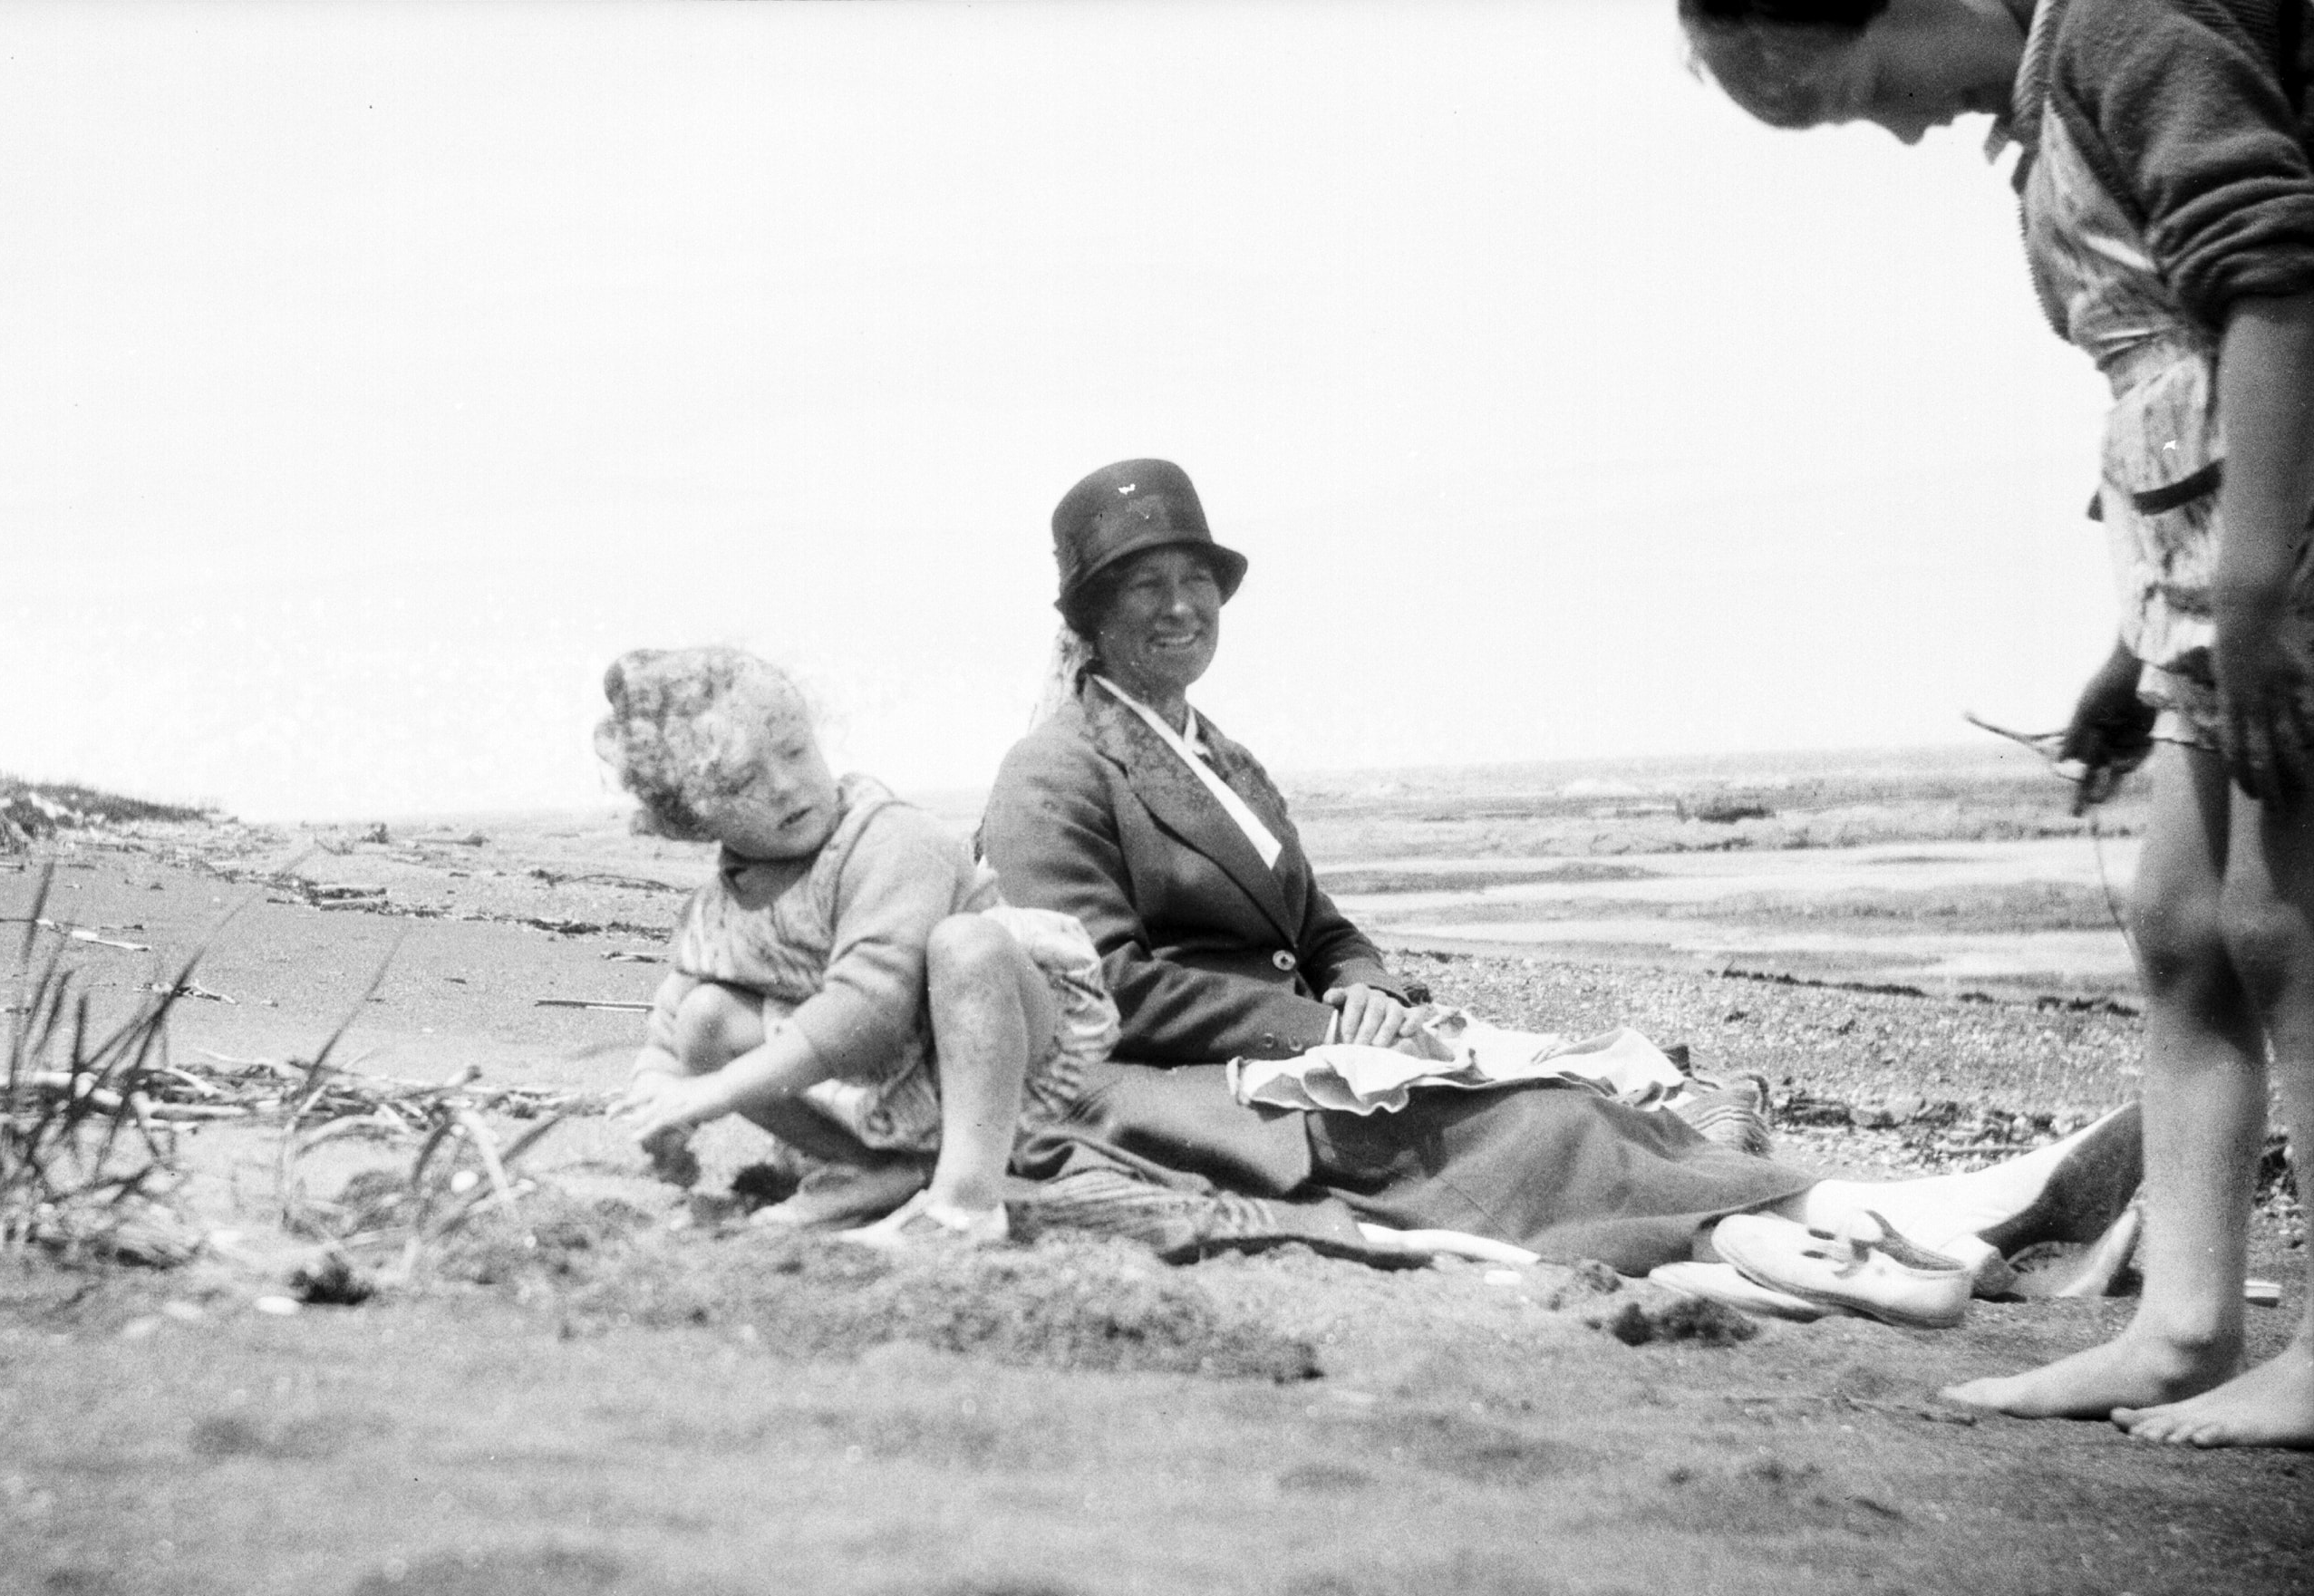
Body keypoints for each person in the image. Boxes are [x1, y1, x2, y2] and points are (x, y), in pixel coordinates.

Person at [981, 457, 2139, 1285]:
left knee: (1601, 1092)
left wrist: (1363, 983)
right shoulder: (1056, 767)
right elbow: (1099, 989)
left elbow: (1315, 921)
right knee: (1532, 1125)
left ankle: (1901, 1223)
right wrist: (1313, 1032)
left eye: (1196, 580)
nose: (1182, 606)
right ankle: (1927, 1216)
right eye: (1145, 585)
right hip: (1176, 1085)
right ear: (1093, 614)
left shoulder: (1214, 751)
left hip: (1302, 1048)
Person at [1681, 0, 2314, 1446]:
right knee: (2176, 919)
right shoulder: (2041, 104)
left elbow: (2276, 288)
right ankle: (2183, 1324)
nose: (1902, 126)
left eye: (1861, 90)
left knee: (2284, 922)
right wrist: (2132, 645)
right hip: (2205, 572)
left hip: (2281, 536)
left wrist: (2262, 590)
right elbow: (2167, 389)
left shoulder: (2124, 26)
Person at [595, 645, 1119, 1247]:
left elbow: (866, 1013)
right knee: (703, 1019)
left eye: (794, 751)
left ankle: (966, 1202)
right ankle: (876, 1171)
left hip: (992, 1041)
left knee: (966, 944)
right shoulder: (716, 911)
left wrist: (711, 1094)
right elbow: (669, 1032)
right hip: (880, 1076)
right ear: (693, 814)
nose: (786, 785)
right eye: (742, 780)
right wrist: (660, 1109)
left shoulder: (890, 838)